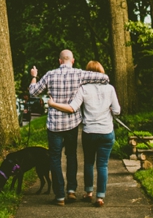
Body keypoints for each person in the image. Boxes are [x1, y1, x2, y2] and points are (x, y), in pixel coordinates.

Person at [29, 50, 109, 206]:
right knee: (71, 156)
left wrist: (33, 76)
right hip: (72, 125)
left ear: (59, 61)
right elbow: (104, 78)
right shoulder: (79, 74)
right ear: (72, 61)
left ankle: (59, 196)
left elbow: (33, 92)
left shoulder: (49, 75)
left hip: (54, 126)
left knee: (55, 159)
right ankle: (71, 191)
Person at [47, 61, 120, 208]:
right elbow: (117, 111)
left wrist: (53, 104)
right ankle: (100, 197)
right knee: (103, 165)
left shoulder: (83, 89)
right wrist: (111, 110)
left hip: (89, 132)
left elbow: (73, 107)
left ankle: (88, 192)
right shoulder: (110, 89)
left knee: (88, 162)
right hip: (106, 132)